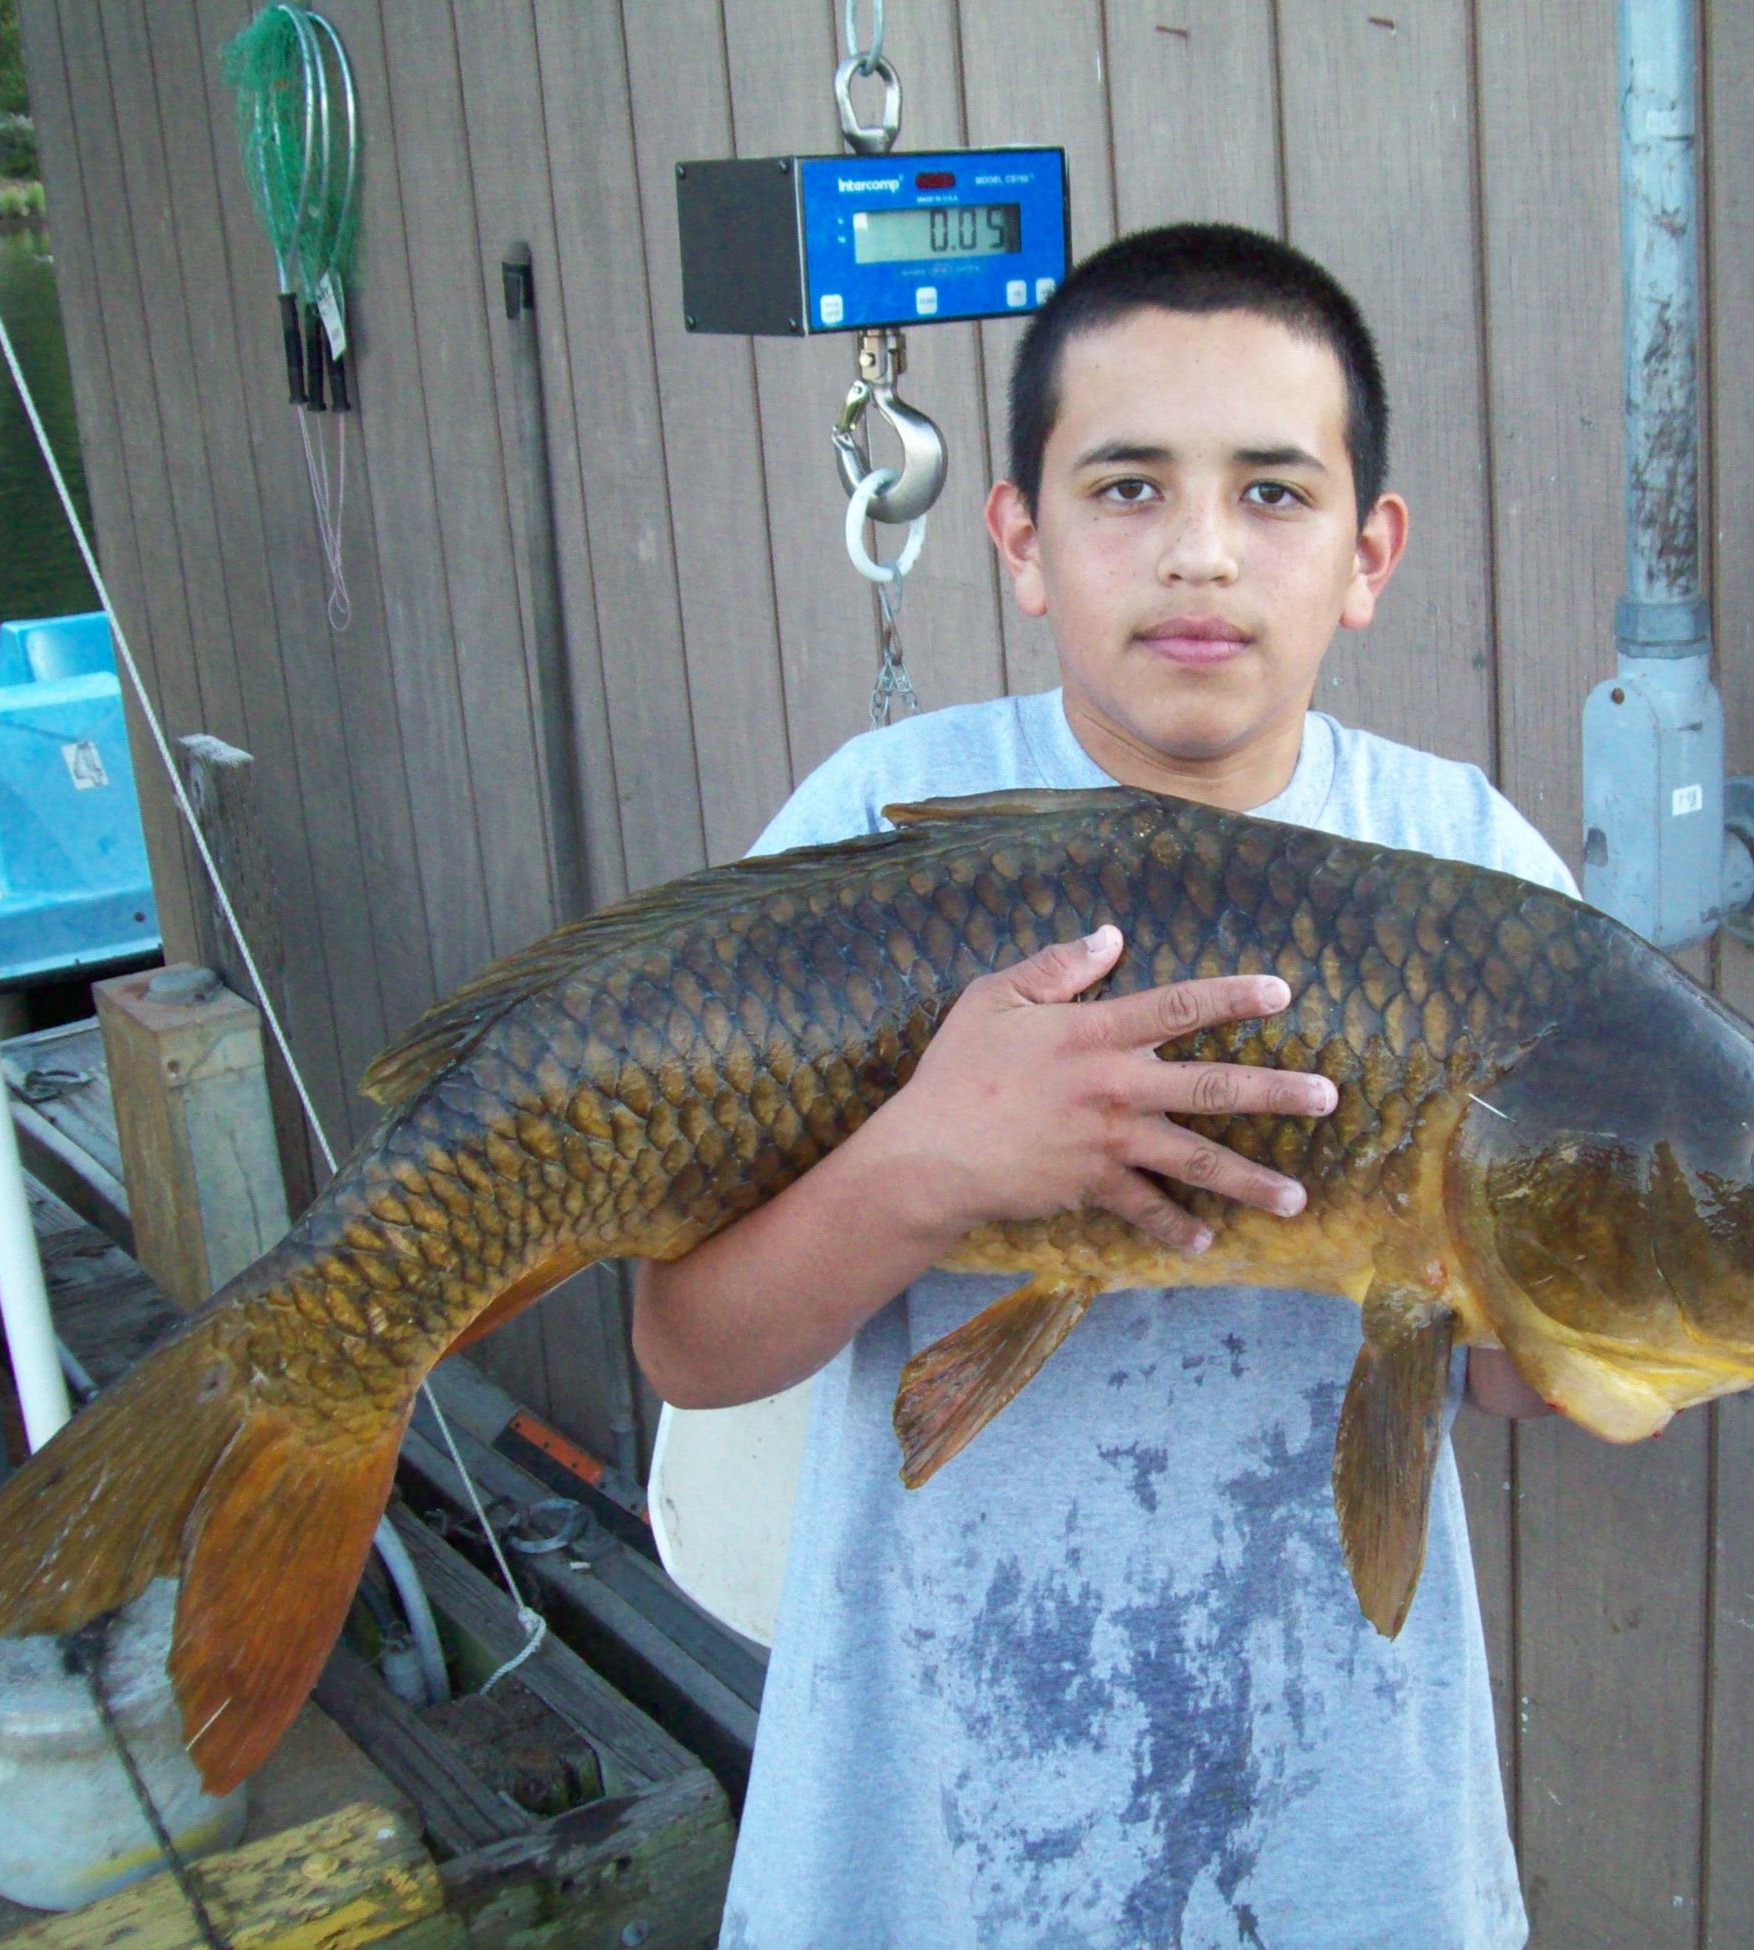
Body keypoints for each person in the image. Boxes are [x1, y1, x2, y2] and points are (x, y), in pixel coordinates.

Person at [632, 221, 1570, 1949]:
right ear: (1022, 539)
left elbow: (1509, 1375)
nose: (1201, 552)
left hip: (1341, 1828)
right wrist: (930, 1166)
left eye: (1274, 495)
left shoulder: (1474, 870)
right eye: (1127, 488)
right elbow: (691, 1345)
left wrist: (1678, 1310)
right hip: (924, 1831)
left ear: (1369, 554)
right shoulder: (874, 829)